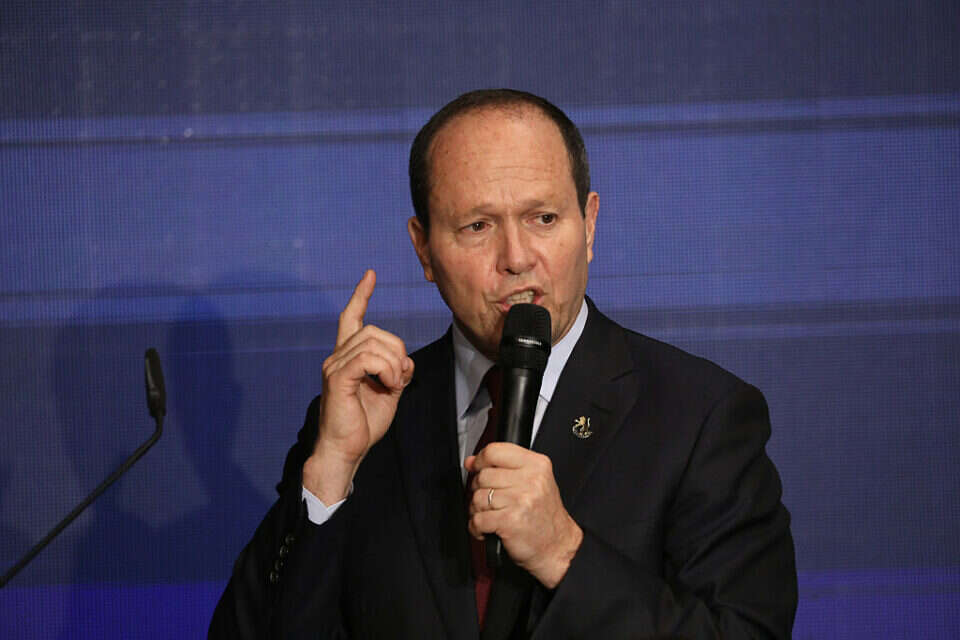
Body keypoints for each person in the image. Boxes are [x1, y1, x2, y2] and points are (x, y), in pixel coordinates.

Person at [210, 89, 797, 639]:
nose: (516, 258)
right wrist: (331, 472)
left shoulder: (700, 416)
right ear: (423, 249)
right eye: (477, 226)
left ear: (590, 224)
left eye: (544, 218)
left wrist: (564, 554)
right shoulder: (366, 416)